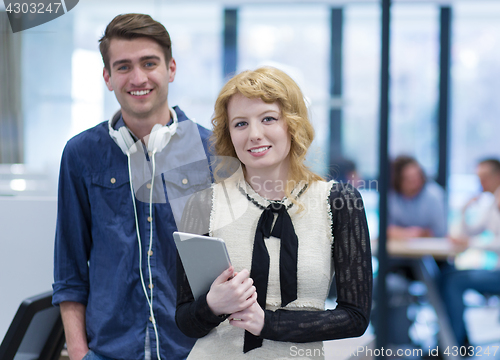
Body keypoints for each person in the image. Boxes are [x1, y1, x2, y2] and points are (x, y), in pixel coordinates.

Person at [175, 67, 372, 359]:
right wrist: (212, 305)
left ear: (292, 124)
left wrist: (269, 323)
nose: (254, 135)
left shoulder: (339, 201)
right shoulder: (204, 204)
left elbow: (355, 318)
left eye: (268, 119)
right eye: (240, 124)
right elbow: (185, 321)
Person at [52, 14, 212, 360]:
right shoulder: (80, 154)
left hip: (195, 351)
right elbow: (69, 269)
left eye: (149, 63)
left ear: (171, 69)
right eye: (123, 67)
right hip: (108, 352)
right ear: (108, 77)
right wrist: (80, 354)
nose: (138, 78)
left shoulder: (213, 151)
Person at [441, 158, 500, 348]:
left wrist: (472, 243)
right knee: (447, 274)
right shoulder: (491, 203)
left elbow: (473, 239)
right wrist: (465, 208)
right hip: (495, 271)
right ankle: (455, 339)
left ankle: (454, 344)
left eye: (484, 178)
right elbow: (468, 232)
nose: (480, 183)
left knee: (454, 281)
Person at [388, 155, 447, 239]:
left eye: (417, 177)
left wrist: (422, 233)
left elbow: (440, 231)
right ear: (398, 180)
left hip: (428, 248)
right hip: (399, 248)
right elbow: (387, 229)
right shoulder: (392, 197)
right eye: (409, 179)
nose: (415, 183)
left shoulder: (434, 195)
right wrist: (406, 233)